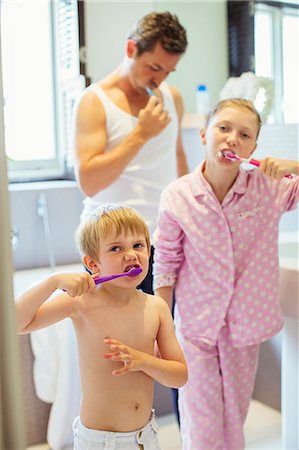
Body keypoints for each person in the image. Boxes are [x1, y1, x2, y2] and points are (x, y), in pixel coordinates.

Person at [153, 98, 299, 450]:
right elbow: (166, 266)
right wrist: (161, 328)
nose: (233, 138)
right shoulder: (178, 196)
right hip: (196, 328)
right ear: (205, 134)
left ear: (254, 147)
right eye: (224, 128)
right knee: (201, 428)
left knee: (234, 422)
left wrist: (296, 164)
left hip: (245, 327)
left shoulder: (268, 188)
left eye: (244, 134)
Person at [15, 204, 188, 450]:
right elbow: (15, 323)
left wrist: (142, 361)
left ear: (149, 252)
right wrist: (53, 282)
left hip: (145, 438)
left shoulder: (156, 307)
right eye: (116, 248)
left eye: (138, 245)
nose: (130, 254)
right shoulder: (82, 302)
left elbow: (179, 376)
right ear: (93, 264)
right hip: (98, 442)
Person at [73, 11, 189, 296]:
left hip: (163, 241)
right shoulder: (93, 101)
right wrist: (140, 134)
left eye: (167, 71)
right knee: (112, 338)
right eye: (153, 67)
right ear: (130, 49)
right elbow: (88, 181)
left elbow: (177, 158)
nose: (159, 79)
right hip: (110, 245)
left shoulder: (172, 97)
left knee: (160, 335)